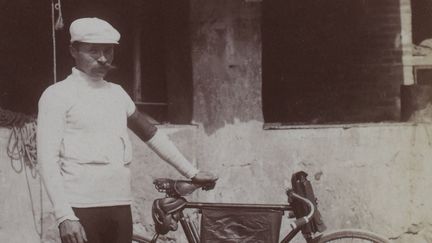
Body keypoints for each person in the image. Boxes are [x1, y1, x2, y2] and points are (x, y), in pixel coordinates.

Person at [37, 17, 217, 243]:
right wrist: (64, 216)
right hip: (81, 207)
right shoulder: (57, 95)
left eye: (108, 51)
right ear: (73, 50)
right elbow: (46, 160)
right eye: (93, 51)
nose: (103, 58)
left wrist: (192, 172)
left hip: (120, 206)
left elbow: (151, 134)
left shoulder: (117, 93)